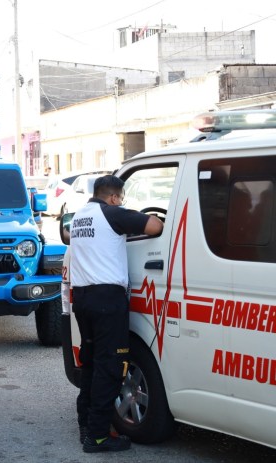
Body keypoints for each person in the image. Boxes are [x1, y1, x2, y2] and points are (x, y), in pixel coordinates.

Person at [69, 175, 163, 453]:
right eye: (120, 198)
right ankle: (98, 436)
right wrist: (139, 214)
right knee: (110, 368)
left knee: (91, 364)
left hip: (83, 299)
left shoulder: (79, 217)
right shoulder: (112, 213)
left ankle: (86, 425)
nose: (120, 202)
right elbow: (155, 226)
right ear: (113, 197)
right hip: (107, 300)